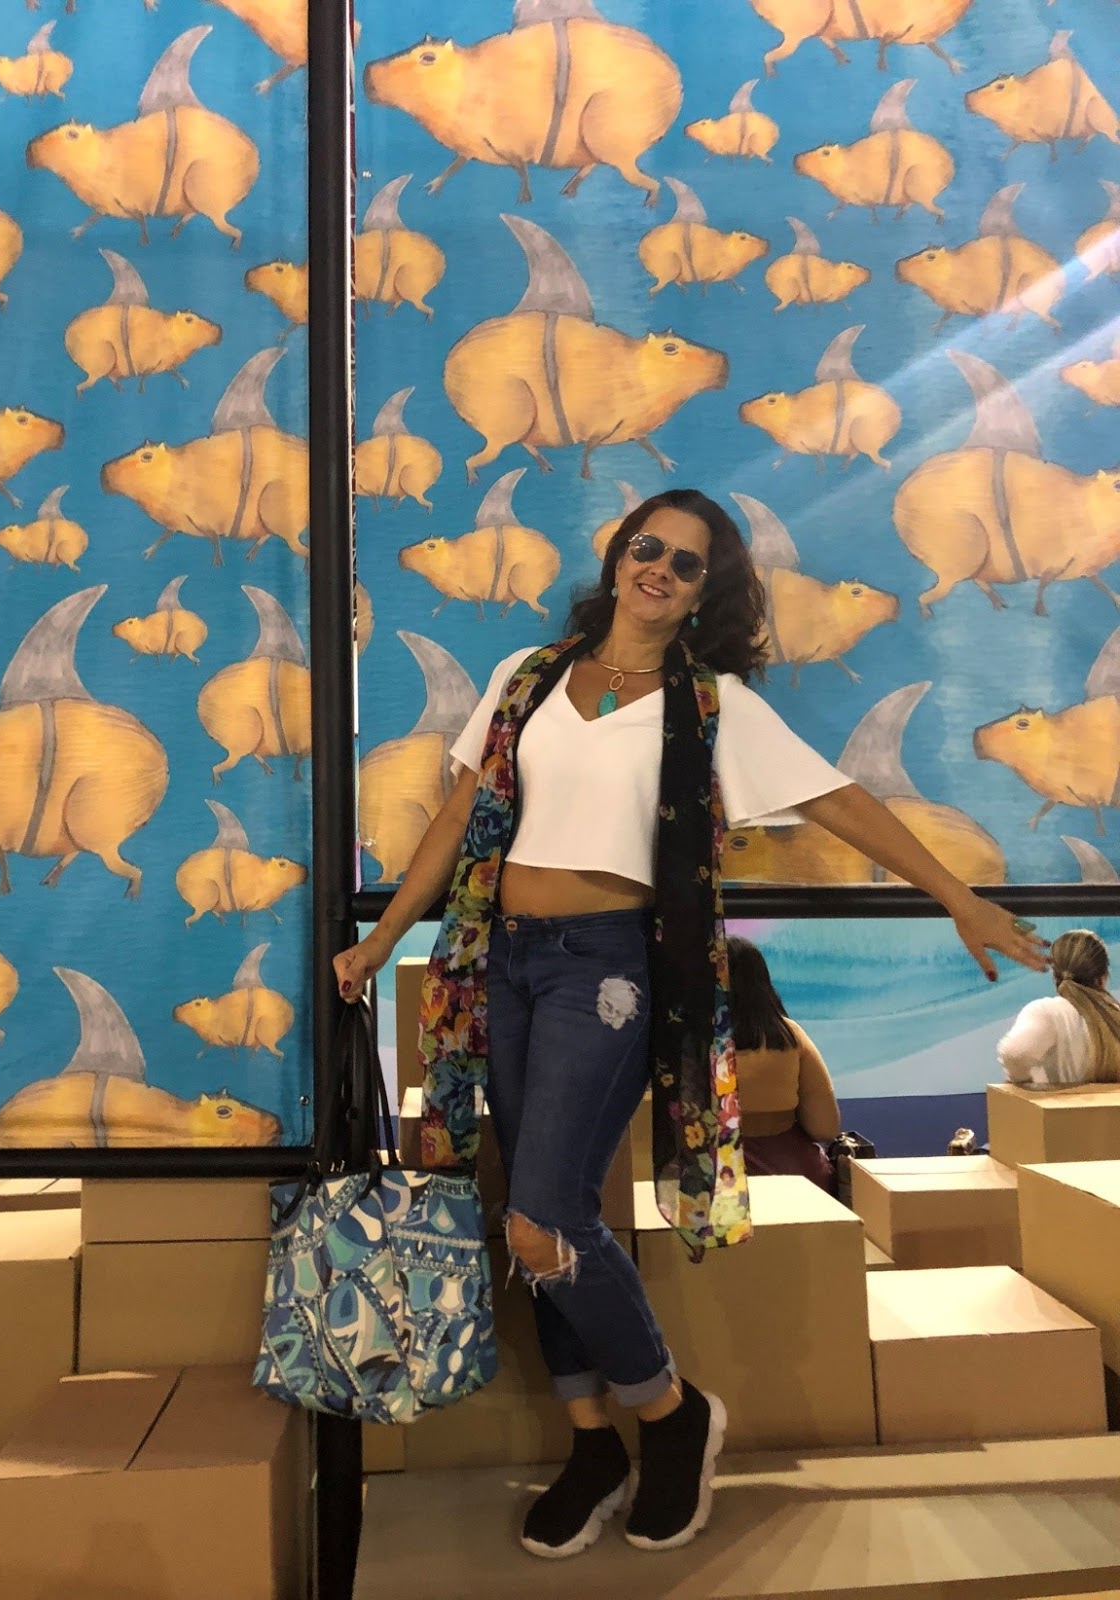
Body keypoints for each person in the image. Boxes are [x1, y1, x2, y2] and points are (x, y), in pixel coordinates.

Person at [335, 488, 1048, 1562]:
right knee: (537, 1209)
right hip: (503, 963)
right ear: (617, 557)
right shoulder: (527, 677)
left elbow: (840, 801)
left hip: (609, 973)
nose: (658, 569)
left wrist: (958, 894)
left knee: (542, 1220)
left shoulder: (711, 707)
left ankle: (671, 1414)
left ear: (707, 593)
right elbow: (457, 816)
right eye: (646, 547)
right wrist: (383, 937)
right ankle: (592, 1443)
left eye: (686, 563)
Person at [727, 936, 839, 1191]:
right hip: (797, 1181)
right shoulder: (790, 1035)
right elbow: (825, 1127)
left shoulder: (689, 1041)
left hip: (718, 1183)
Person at [997, 928, 1120, 1087]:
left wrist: (1023, 1084)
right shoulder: (1116, 1015)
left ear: (1056, 976)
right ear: (1103, 977)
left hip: (1060, 1104)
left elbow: (1015, 1054)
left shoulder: (1048, 1012)